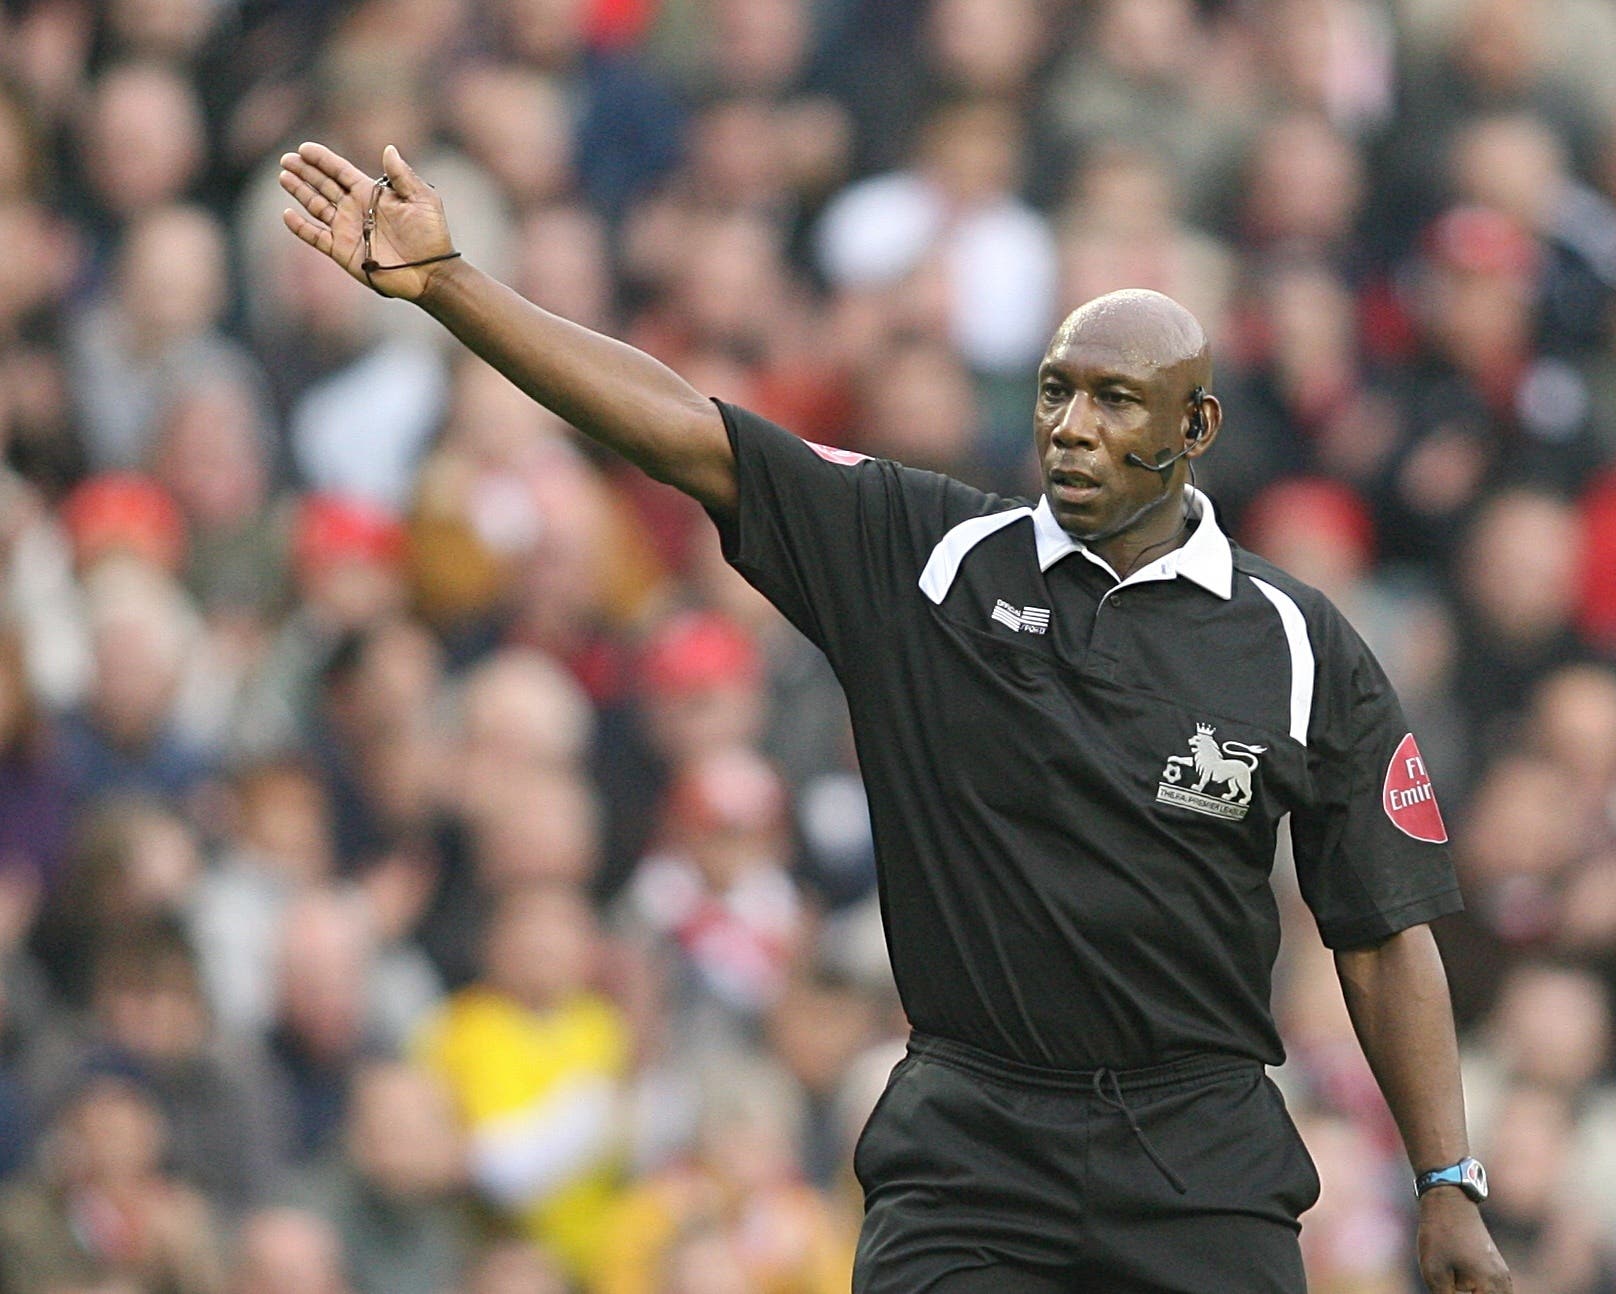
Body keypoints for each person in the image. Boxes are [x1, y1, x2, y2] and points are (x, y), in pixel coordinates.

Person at [277, 140, 1511, 1294]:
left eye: (1116, 402)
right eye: (1054, 393)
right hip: (971, 1146)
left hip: (1203, 1152)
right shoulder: (928, 556)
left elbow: (1381, 933)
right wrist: (452, 286)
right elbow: (684, 430)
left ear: (1196, 429)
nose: (1072, 429)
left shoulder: (1299, 645)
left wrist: (1446, 1178)